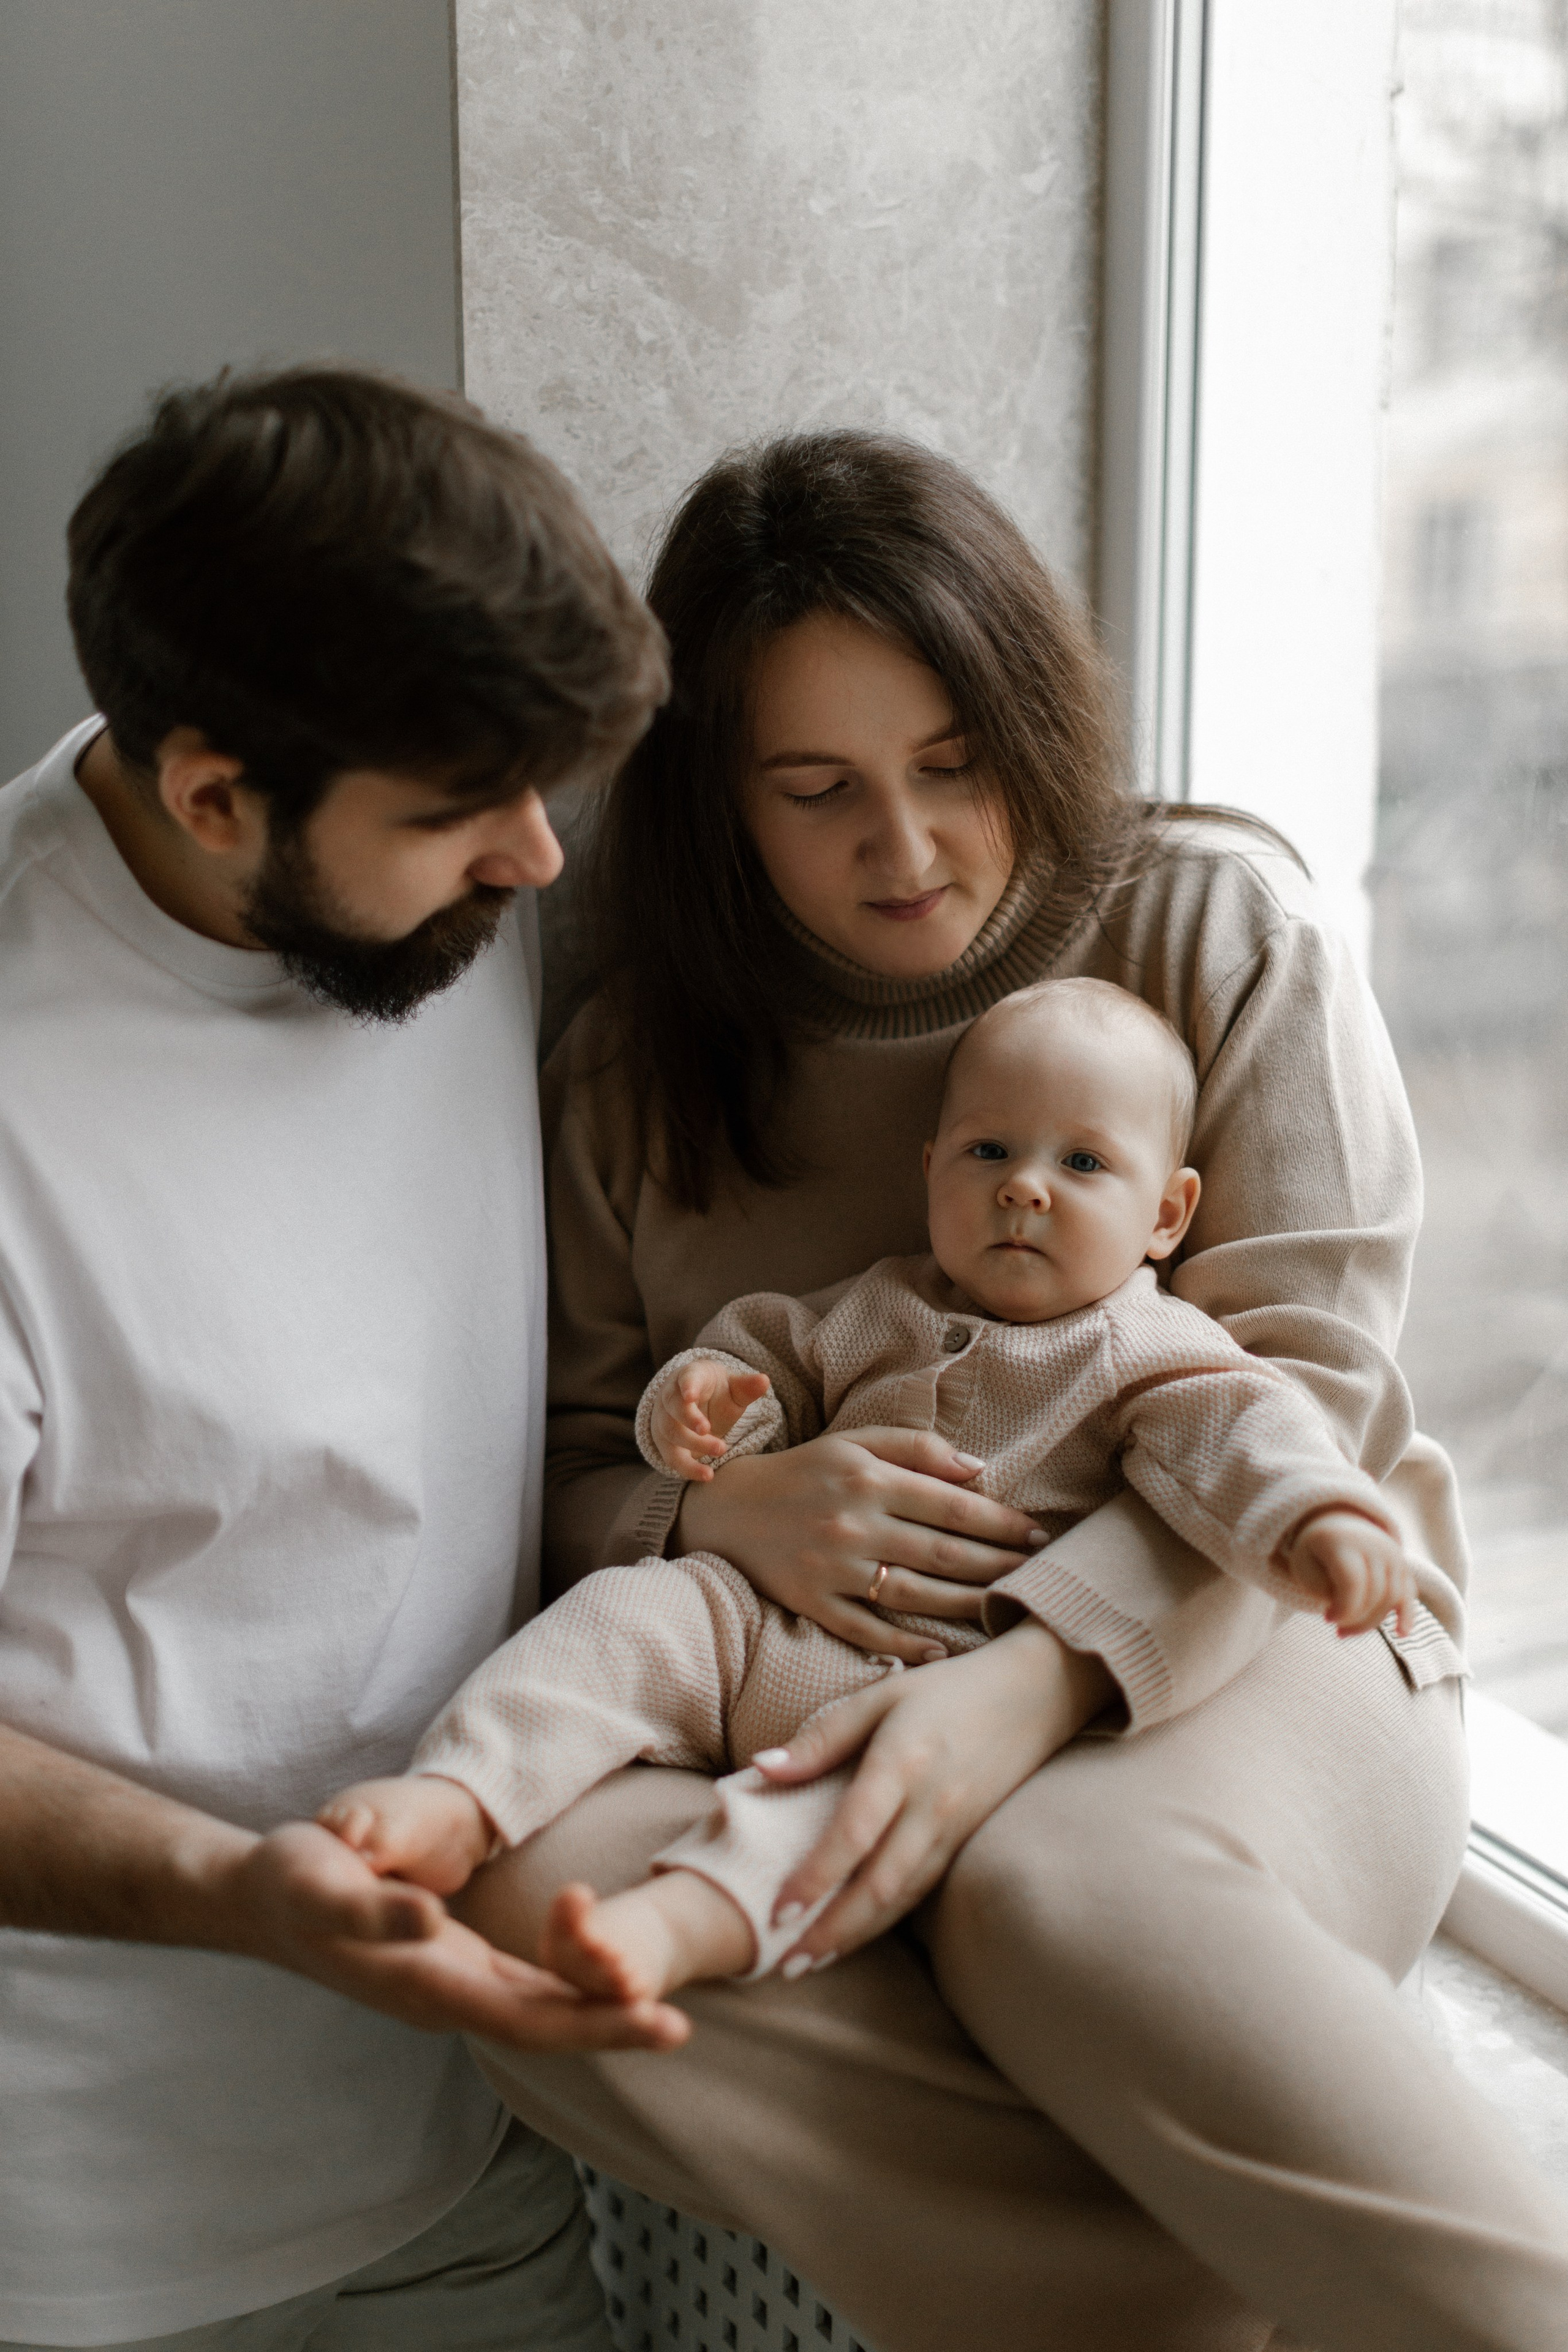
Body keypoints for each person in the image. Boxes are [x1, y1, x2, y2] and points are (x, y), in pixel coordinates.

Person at [451, 433, 1568, 2352]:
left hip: (1261, 1627)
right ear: (721, 803)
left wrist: (1026, 1686)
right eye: (821, 792)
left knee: (1051, 1884)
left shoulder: (1212, 931)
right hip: (811, 1684)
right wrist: (713, 1513)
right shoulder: (640, 1065)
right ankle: (1205, 2297)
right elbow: (558, 1464)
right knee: (517, 1904)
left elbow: (1293, 1396)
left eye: (952, 765)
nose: (907, 850)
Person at [0, 366, 688, 2352]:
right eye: (470, 814)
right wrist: (242, 1892)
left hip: (468, 2152)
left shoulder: (425, 886)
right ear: (217, 796)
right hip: (92, 2239)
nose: (542, 862)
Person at [320, 974, 1436, 2005]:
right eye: (988, 1151)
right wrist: (704, 1405)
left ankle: (680, 1925)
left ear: (1167, 1216)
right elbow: (761, 1371)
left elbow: (1246, 1439)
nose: (1026, 1190)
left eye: (1084, 1165)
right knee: (621, 1622)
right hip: (756, 1624)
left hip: (941, 1672)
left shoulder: (1146, 1351)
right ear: (930, 1170)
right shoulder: (874, 1306)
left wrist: (1322, 1512)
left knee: (852, 1799)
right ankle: (465, 1792)